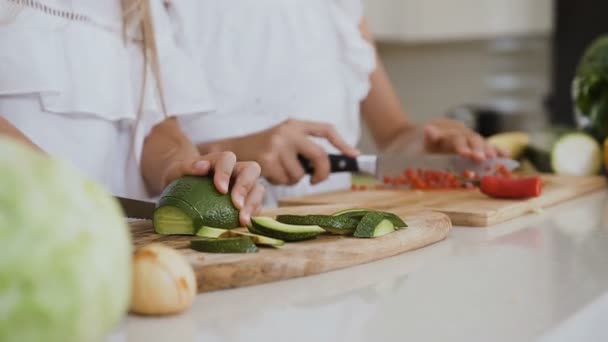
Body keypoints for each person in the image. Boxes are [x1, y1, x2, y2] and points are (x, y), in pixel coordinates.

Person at [168, 0, 504, 206]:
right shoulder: (155, 7)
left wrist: (428, 144)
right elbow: (139, 161)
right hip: (214, 263)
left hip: (335, 258)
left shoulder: (340, 6)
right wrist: (231, 147)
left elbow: (394, 135)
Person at [0, 0, 264, 225]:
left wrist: (185, 174)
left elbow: (155, 127)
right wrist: (50, 182)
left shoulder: (142, 8)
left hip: (100, 246)